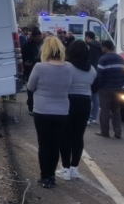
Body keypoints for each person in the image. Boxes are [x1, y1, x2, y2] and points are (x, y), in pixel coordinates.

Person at [27, 36, 73, 188]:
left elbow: (30, 86)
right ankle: (52, 176)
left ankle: (44, 176)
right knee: (55, 145)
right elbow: (70, 86)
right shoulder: (68, 67)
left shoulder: (40, 67)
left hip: (42, 111)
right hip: (61, 111)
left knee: (44, 144)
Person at [57, 40, 97, 181]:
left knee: (65, 136)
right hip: (85, 103)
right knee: (78, 136)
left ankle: (65, 168)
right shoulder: (92, 69)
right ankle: (75, 168)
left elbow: (61, 83)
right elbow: (94, 87)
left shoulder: (67, 66)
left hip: (69, 101)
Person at [94, 40, 124, 138]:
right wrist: (120, 84)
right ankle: (118, 132)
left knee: (105, 111)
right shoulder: (121, 59)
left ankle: (104, 132)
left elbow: (99, 76)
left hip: (105, 89)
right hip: (118, 88)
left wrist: (98, 87)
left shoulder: (103, 59)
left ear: (104, 47)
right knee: (116, 110)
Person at [22, 28, 43, 115]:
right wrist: (25, 63)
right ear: (32, 37)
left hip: (42, 69)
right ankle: (31, 106)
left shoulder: (44, 44)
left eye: (39, 36)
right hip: (31, 69)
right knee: (31, 89)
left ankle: (38, 106)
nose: (38, 38)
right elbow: (23, 56)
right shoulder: (27, 45)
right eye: (36, 36)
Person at [85, 31, 103, 125]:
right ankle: (94, 117)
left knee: (88, 95)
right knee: (95, 96)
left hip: (89, 70)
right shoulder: (100, 46)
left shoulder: (88, 46)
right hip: (98, 71)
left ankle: (87, 118)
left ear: (87, 37)